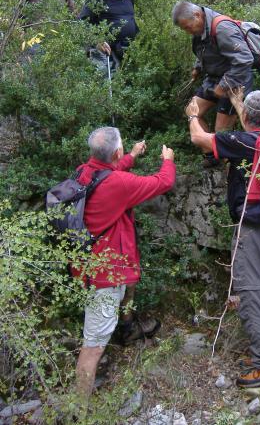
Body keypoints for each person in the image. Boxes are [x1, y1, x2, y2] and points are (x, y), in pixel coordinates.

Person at [186, 90, 260, 388]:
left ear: (246, 117)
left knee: (249, 294)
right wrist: (239, 102)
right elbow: (254, 124)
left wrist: (194, 114)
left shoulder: (245, 143)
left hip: (252, 229)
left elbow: (200, 139)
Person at [73, 126, 175, 398]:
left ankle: (127, 328)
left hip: (96, 263)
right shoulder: (117, 184)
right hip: (103, 276)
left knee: (130, 282)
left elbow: (113, 170)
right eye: (122, 151)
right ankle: (77, 413)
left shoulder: (85, 172)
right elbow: (162, 182)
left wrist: (131, 154)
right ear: (114, 152)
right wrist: (168, 161)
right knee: (92, 347)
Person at [172, 0, 254, 166]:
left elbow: (245, 59)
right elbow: (204, 51)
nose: (188, 32)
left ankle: (229, 168)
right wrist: (197, 67)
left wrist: (223, 85)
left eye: (188, 27)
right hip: (213, 78)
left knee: (221, 131)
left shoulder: (223, 28)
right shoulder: (200, 28)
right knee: (192, 112)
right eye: (184, 29)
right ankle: (212, 155)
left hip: (235, 81)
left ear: (197, 15)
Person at [79, 0, 139, 72]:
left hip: (127, 52)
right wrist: (97, 40)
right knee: (107, 88)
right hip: (106, 55)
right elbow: (82, 23)